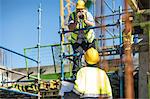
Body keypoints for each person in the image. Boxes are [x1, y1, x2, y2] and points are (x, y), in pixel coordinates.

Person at [67, 0, 96, 77]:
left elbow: (93, 24)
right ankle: (75, 75)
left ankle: (93, 73)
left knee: (91, 57)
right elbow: (70, 28)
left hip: (89, 40)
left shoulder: (88, 14)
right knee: (77, 57)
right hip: (77, 41)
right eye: (78, 10)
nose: (79, 12)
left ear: (84, 9)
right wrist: (76, 21)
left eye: (81, 10)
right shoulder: (72, 15)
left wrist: (85, 20)